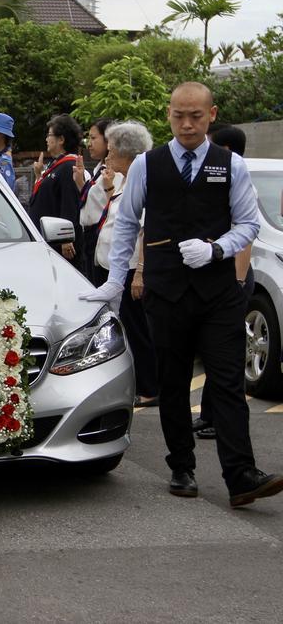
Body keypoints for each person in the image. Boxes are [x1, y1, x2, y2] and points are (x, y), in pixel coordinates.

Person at [82, 82, 283, 508]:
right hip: (166, 288)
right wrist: (117, 281)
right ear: (169, 115)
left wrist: (216, 249)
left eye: (196, 115)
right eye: (179, 115)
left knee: (227, 383)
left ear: (211, 114)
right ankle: (181, 465)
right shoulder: (147, 166)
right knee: (173, 381)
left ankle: (241, 475)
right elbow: (127, 224)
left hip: (218, 291)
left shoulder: (231, 165)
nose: (187, 124)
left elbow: (247, 224)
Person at [80, 121, 158, 408]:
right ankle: (137, 381)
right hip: (114, 268)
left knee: (138, 330)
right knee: (125, 328)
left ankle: (150, 387)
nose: (108, 157)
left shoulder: (144, 180)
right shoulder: (120, 180)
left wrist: (140, 271)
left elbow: (144, 230)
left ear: (128, 153)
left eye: (112, 151)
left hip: (130, 270)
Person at [193, 124, 253, 440]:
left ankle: (218, 421)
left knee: (225, 353)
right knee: (211, 349)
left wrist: (239, 282)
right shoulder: (217, 183)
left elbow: (245, 240)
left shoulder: (239, 184)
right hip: (218, 272)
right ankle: (207, 416)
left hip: (234, 275)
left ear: (226, 151)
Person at [28, 114, 83, 268]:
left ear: (61, 139)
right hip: (48, 240)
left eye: (49, 135)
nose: (46, 139)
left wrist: (66, 237)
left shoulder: (68, 165)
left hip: (59, 243)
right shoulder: (56, 163)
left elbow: (69, 201)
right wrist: (39, 175)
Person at [77, 118, 115, 285]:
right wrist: (80, 182)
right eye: (88, 139)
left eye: (93, 138)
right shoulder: (99, 168)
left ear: (108, 140)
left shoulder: (115, 170)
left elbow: (113, 203)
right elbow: (92, 201)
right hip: (91, 236)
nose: (89, 144)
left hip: (104, 235)